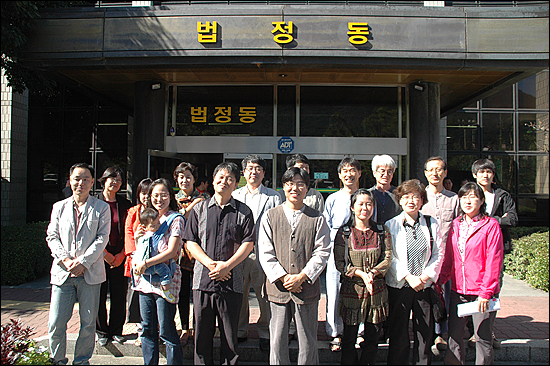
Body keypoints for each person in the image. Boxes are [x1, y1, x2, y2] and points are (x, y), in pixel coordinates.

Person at [183, 162, 255, 365]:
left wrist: (227, 266)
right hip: (202, 283)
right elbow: (190, 242)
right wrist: (211, 265)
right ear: (213, 181)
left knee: (230, 338)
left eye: (230, 179)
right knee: (202, 337)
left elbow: (248, 244)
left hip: (232, 282)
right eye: (220, 178)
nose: (224, 182)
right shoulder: (199, 210)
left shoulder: (244, 212)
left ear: (235, 184)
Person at [258, 167, 331, 365]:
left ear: (307, 188)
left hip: (306, 289)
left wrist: (301, 277)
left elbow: (322, 252)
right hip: (277, 289)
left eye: (300, 184)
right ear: (283, 187)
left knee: (308, 341)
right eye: (290, 183)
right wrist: (283, 277)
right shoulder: (270, 216)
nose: (295, 188)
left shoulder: (318, 218)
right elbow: (265, 252)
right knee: (277, 340)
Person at [46, 163, 111, 365]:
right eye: (77, 178)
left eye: (85, 179)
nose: (80, 183)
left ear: (92, 182)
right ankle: (57, 360)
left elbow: (102, 238)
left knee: (88, 323)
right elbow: (52, 236)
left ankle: (82, 361)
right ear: (70, 180)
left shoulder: (102, 207)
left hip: (90, 274)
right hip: (62, 273)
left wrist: (83, 262)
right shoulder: (59, 207)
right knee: (56, 322)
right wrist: (65, 260)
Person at [439, 182, 504, 365]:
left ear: (481, 201)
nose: (468, 201)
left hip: (481, 292)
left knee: (482, 337)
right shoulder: (456, 224)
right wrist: (441, 280)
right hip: (458, 290)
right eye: (464, 197)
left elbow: (494, 261)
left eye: (473, 197)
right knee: (454, 336)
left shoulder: (490, 225)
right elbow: (449, 256)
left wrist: (486, 293)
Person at [385, 179, 444, 365]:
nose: (411, 201)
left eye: (416, 197)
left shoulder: (431, 223)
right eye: (406, 197)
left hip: (424, 286)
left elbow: (439, 253)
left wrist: (425, 276)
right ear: (400, 200)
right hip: (400, 285)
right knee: (399, 332)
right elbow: (389, 257)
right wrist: (408, 276)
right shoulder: (391, 224)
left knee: (424, 332)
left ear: (422, 200)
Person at [334, 188, 392, 365]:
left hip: (376, 292)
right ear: (352, 207)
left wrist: (373, 273)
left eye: (369, 204)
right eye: (360, 204)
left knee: (373, 338)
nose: (365, 208)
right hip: (353, 291)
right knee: (350, 339)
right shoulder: (344, 233)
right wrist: (360, 274)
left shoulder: (382, 230)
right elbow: (340, 264)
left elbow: (387, 257)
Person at [132, 178, 185, 365]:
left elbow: (171, 252)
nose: (159, 199)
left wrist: (145, 263)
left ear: (171, 196)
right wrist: (139, 240)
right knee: (147, 328)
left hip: (166, 280)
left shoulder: (175, 219)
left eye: (163, 195)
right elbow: (141, 248)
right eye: (155, 195)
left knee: (167, 329)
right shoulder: (147, 218)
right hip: (145, 281)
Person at [232, 154, 280, 351]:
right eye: (250, 168)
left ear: (264, 172)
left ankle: (265, 332)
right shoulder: (235, 195)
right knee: (239, 293)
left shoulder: (274, 196)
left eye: (258, 168)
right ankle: (240, 330)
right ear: (244, 173)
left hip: (264, 253)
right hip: (239, 253)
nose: (254, 172)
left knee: (264, 295)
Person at [471, 158, 518, 348]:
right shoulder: (468, 193)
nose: (485, 175)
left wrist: (490, 220)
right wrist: (500, 219)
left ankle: (488, 331)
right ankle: (473, 331)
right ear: (475, 174)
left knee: (493, 290)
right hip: (473, 251)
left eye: (489, 171)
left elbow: (513, 219)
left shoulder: (502, 195)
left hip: (496, 249)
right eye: (481, 172)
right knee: (472, 291)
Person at [421, 157, 459, 354]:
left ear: (445, 173)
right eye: (430, 170)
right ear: (425, 173)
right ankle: (429, 333)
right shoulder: (418, 197)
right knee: (427, 296)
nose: (434, 173)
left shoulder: (454, 199)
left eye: (439, 170)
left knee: (446, 295)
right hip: (423, 256)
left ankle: (442, 334)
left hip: (448, 257)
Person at [324, 157, 362, 352]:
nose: (349, 174)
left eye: (353, 170)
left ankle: (360, 332)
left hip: (362, 251)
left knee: (360, 292)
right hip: (336, 251)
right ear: (340, 175)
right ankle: (334, 333)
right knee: (334, 292)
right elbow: (326, 226)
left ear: (359, 173)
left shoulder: (365, 196)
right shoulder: (333, 199)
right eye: (345, 170)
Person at [173, 162, 211, 345]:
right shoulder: (172, 198)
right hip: (178, 255)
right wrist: (193, 205)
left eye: (188, 176)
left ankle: (198, 328)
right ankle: (185, 329)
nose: (184, 180)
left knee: (198, 294)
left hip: (198, 254)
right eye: (181, 177)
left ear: (194, 179)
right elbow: (176, 218)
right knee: (181, 293)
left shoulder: (206, 198)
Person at [95, 166, 132, 346]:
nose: (116, 182)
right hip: (98, 257)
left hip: (120, 256)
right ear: (104, 180)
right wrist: (105, 255)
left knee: (119, 295)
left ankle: (117, 330)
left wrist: (120, 255)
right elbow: (90, 233)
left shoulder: (125, 204)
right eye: (112, 178)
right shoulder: (93, 202)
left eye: (119, 179)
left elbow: (130, 231)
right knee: (99, 295)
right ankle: (102, 331)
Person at [124, 177, 153, 347]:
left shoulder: (157, 213)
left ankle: (153, 331)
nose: (146, 197)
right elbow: (128, 234)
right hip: (136, 264)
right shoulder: (133, 212)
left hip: (154, 263)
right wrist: (136, 255)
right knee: (136, 299)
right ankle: (140, 331)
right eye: (143, 193)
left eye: (149, 193)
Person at [134, 207, 178, 301]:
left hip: (140, 267)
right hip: (153, 265)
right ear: (145, 226)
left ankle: (136, 273)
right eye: (153, 225)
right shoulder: (157, 237)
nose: (157, 226)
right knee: (165, 272)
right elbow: (163, 249)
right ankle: (166, 290)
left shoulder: (141, 236)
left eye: (158, 223)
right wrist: (172, 254)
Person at [368, 154, 402, 224]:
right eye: (382, 171)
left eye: (389, 171)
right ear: (374, 173)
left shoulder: (399, 194)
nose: (386, 175)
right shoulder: (368, 194)